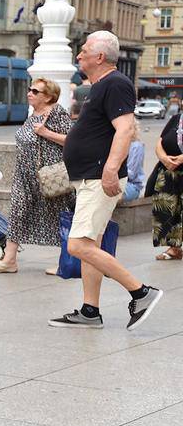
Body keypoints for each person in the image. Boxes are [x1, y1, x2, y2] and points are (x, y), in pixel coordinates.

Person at [50, 32, 163, 328]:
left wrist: (110, 170)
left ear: (99, 57)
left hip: (98, 178)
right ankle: (90, 311)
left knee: (76, 245)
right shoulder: (102, 86)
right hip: (90, 177)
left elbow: (125, 129)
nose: (78, 55)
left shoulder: (115, 83)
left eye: (83, 50)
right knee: (90, 245)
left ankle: (141, 292)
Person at [0, 78, 73, 275]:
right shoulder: (33, 113)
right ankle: (9, 260)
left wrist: (46, 133)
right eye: (30, 89)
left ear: (49, 97)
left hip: (48, 176)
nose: (29, 93)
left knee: (57, 215)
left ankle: (66, 261)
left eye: (35, 91)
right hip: (24, 175)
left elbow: (72, 140)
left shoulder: (56, 112)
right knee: (17, 212)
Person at [153, 106, 183, 261]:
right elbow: (159, 142)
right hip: (169, 171)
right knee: (167, 209)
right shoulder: (176, 119)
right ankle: (174, 248)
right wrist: (164, 158)